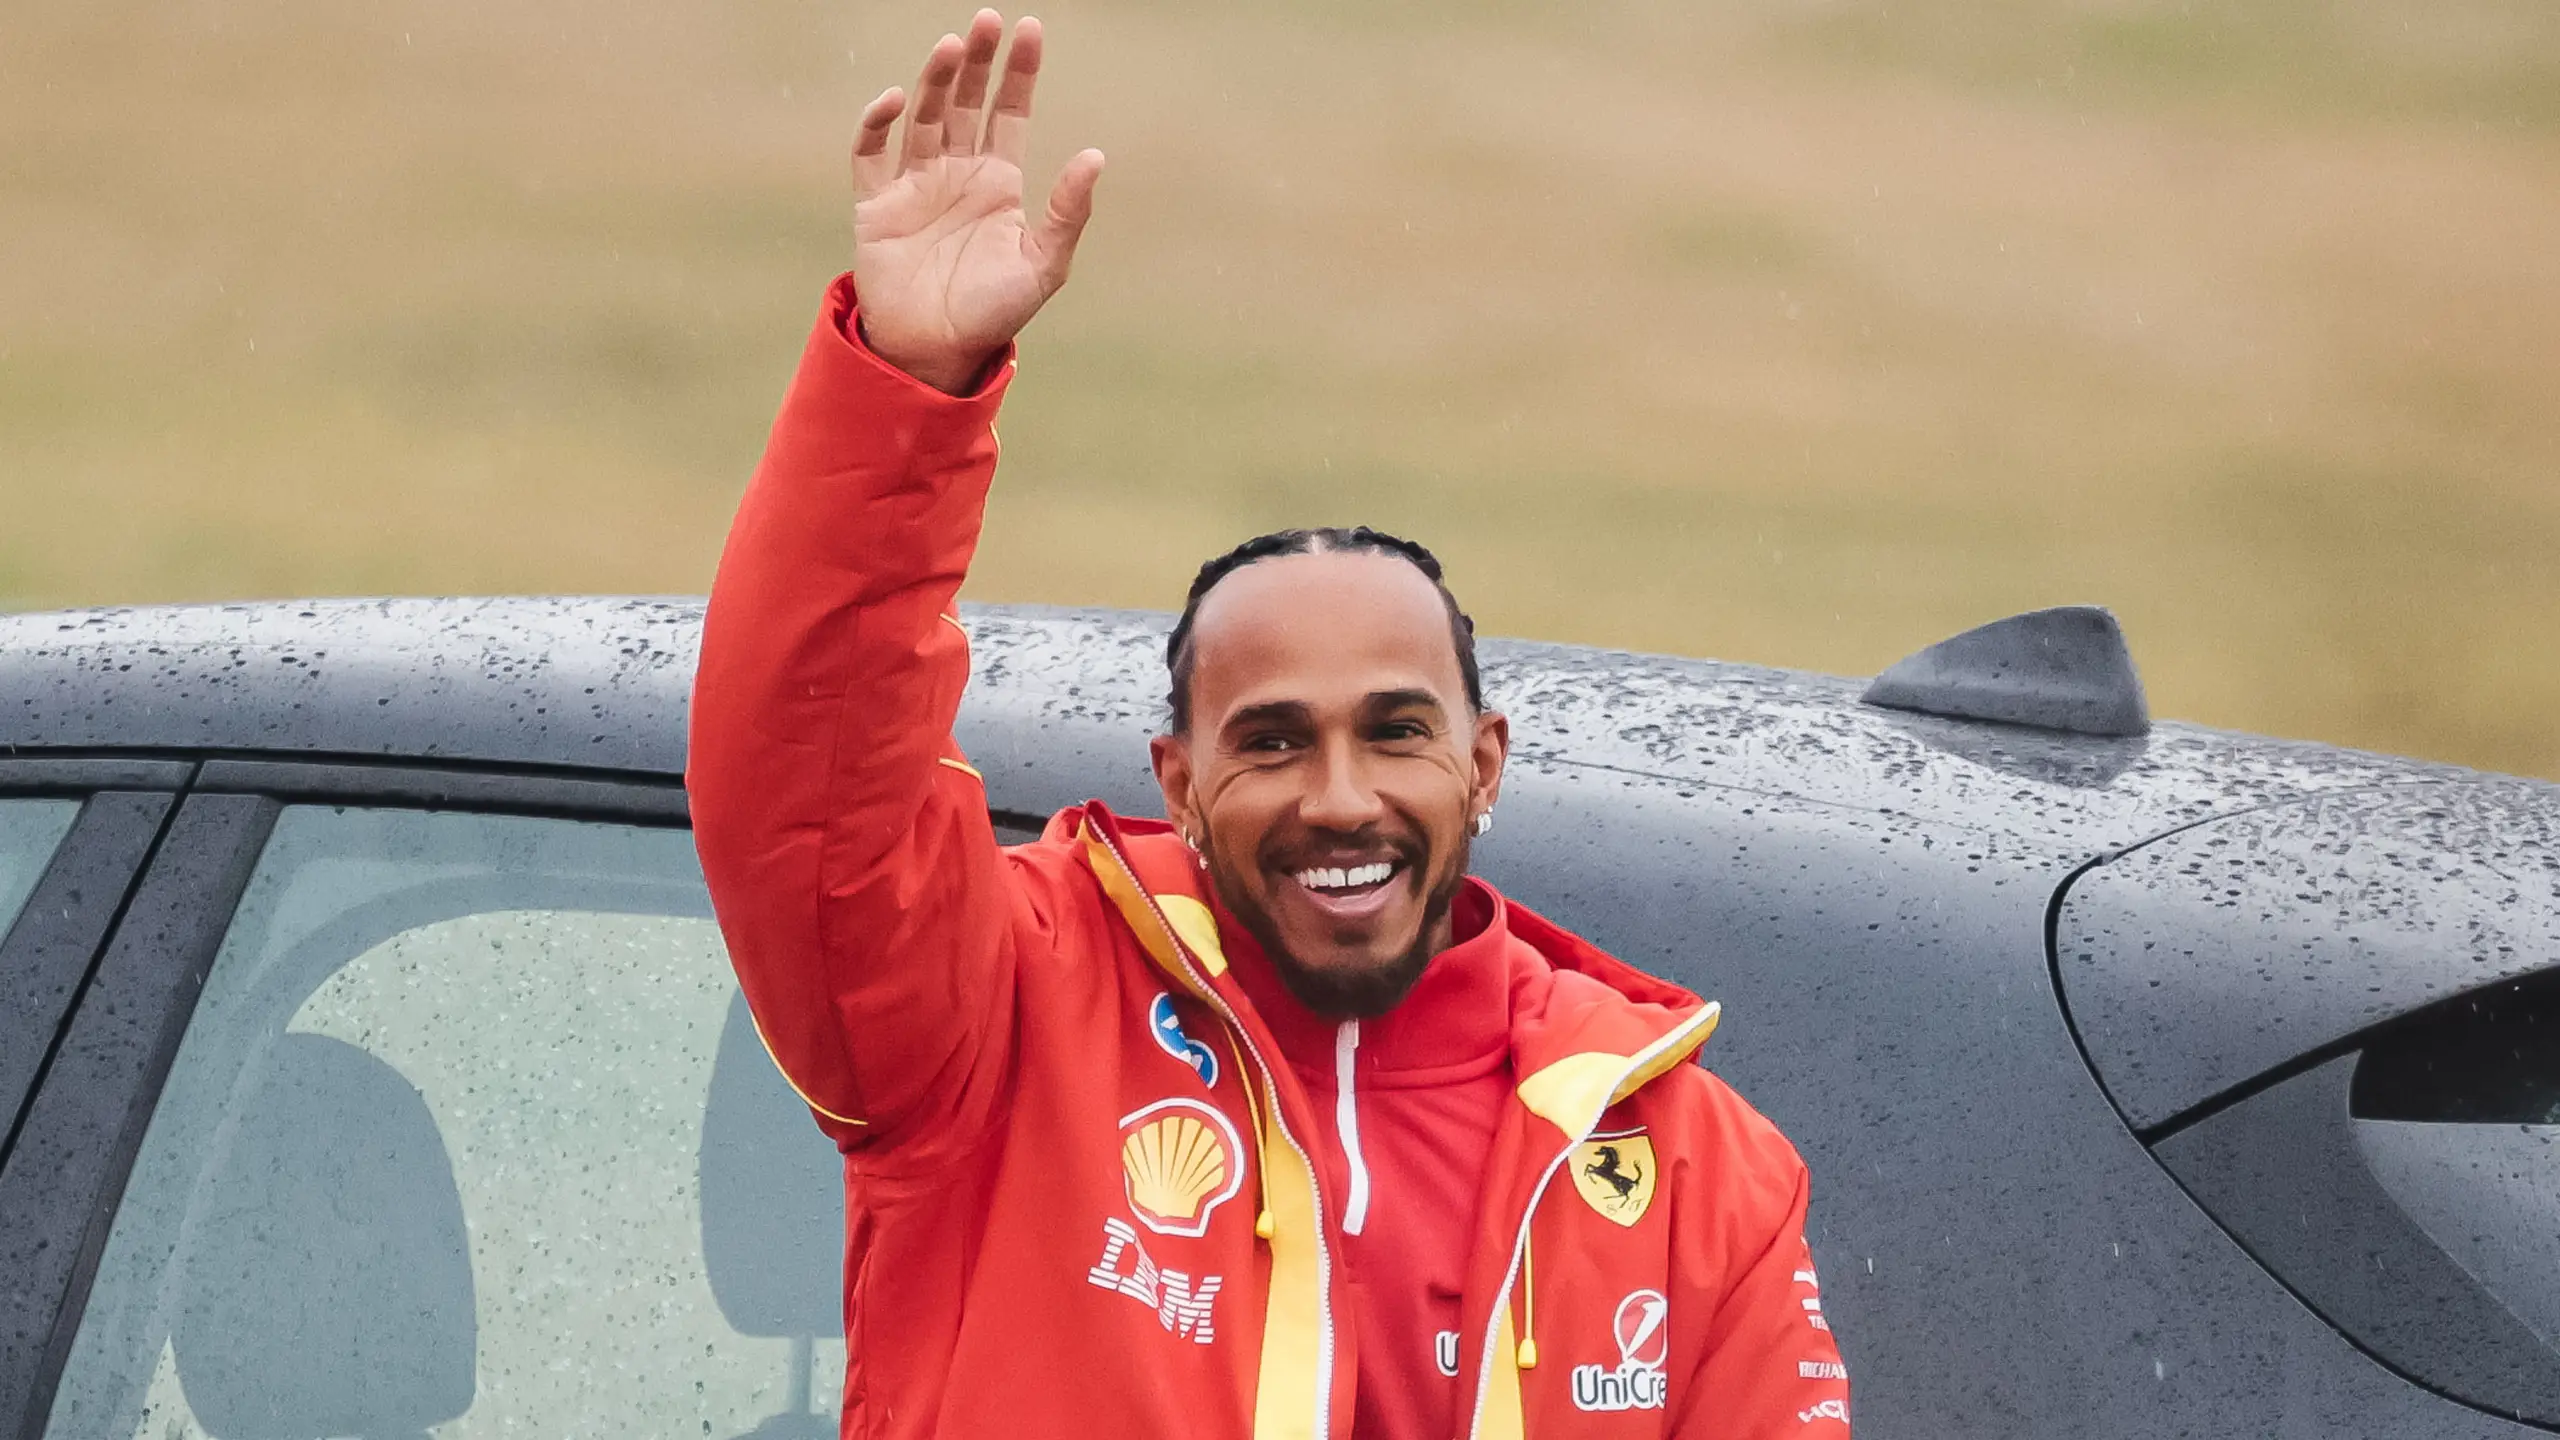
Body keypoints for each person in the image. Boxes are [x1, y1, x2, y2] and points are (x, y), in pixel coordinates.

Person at [686, 11, 1853, 1437]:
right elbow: (802, 792)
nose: (1343, 798)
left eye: (1398, 732)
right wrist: (908, 392)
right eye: (1273, 741)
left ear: (1484, 767)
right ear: (1174, 784)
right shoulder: (1000, 1019)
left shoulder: (1694, 1173)